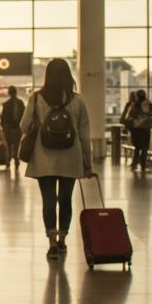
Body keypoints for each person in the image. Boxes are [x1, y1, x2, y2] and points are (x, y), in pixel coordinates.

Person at [21, 59, 94, 258]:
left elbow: (24, 126)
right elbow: (85, 135)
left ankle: (52, 243)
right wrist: (88, 163)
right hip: (70, 157)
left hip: (43, 157)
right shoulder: (78, 100)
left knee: (49, 200)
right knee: (65, 199)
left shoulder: (36, 98)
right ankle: (62, 239)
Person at [125, 90, 152, 172]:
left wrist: (132, 124)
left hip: (136, 130)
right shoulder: (149, 105)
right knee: (144, 148)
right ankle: (143, 164)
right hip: (146, 130)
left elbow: (128, 118)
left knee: (137, 148)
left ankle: (135, 163)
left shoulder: (134, 106)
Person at [1, 88, 25, 172]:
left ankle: (8, 161)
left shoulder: (6, 104)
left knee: (8, 145)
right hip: (18, 128)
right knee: (16, 145)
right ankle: (16, 161)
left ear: (9, 93)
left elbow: (3, 118)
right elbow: (23, 116)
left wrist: (4, 128)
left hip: (9, 129)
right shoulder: (20, 103)